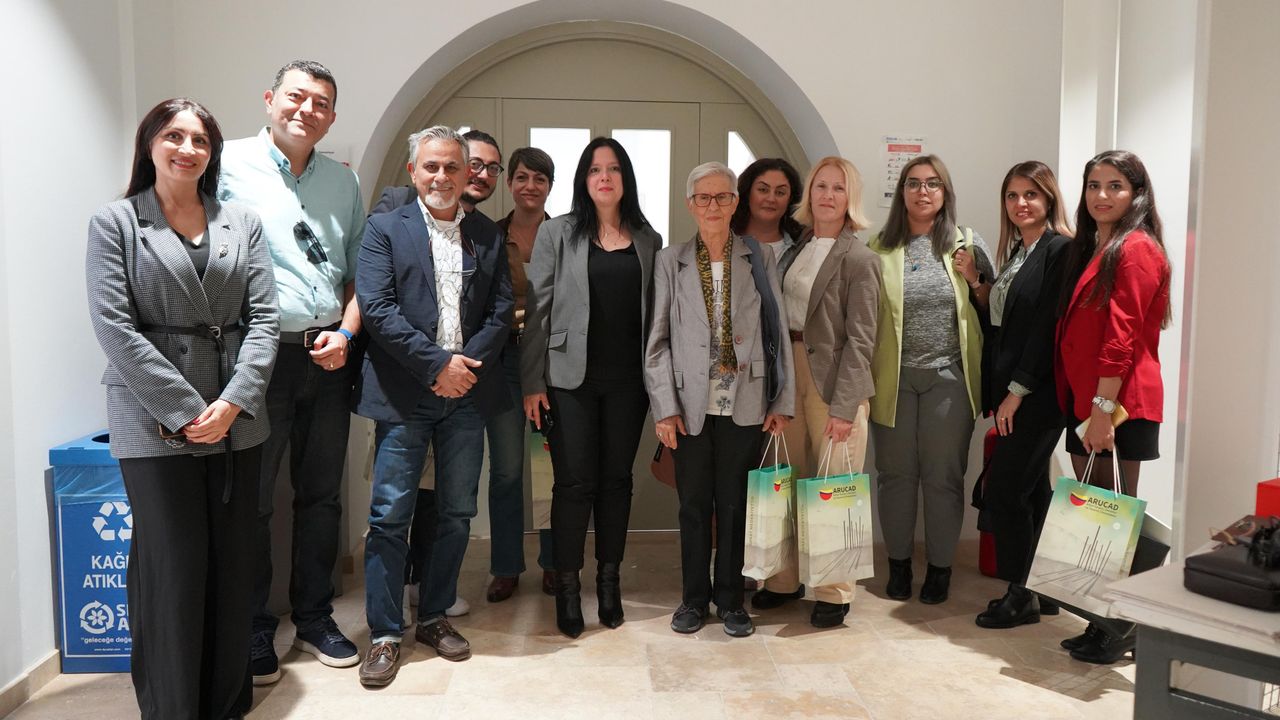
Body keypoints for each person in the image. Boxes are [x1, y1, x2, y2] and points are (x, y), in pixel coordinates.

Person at [87, 97, 278, 720]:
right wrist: (187, 410)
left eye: (200, 139)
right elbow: (114, 326)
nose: (187, 149)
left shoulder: (241, 221)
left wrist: (233, 403)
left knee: (231, 563)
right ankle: (172, 707)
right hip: (152, 422)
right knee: (173, 567)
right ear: (150, 144)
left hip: (237, 422)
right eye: (174, 136)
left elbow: (264, 320)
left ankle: (225, 702)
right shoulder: (116, 222)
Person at [217, 59, 365, 682]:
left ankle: (313, 616)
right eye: (296, 97)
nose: (307, 110)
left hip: (328, 356)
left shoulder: (343, 181)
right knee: (252, 500)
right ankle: (254, 627)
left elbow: (359, 273)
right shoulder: (224, 164)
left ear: (331, 117)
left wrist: (347, 333)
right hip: (257, 357)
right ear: (270, 98)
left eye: (321, 103)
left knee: (322, 495)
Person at [354, 126, 513, 685]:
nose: (442, 177)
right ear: (413, 172)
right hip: (405, 395)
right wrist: (436, 366)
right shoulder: (385, 228)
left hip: (466, 395)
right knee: (389, 516)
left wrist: (463, 368)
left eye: (452, 167)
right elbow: (377, 307)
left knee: (456, 512)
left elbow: (501, 310)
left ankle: (435, 615)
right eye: (432, 167)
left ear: (467, 172)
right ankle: (384, 633)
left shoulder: (487, 234)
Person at [646, 162, 794, 637]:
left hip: (746, 400)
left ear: (735, 203)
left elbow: (777, 331)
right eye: (704, 198)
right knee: (693, 505)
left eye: (723, 197)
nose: (714, 205)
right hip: (689, 404)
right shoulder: (670, 260)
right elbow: (657, 342)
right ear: (690, 205)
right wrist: (664, 408)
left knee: (734, 504)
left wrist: (781, 400)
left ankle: (731, 600)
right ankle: (693, 599)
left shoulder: (758, 256)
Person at [522, 137, 661, 638]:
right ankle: (566, 586)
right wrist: (532, 381)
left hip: (629, 383)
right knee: (573, 484)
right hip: (567, 381)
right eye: (595, 169)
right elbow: (537, 311)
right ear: (584, 180)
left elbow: (656, 315)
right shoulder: (557, 233)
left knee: (616, 483)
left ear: (626, 179)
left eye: (614, 168)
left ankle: (608, 583)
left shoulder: (648, 239)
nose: (605, 177)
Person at [750, 156, 881, 628]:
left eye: (838, 188)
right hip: (788, 373)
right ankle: (782, 580)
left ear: (851, 199)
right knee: (786, 476)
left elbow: (863, 340)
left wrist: (845, 407)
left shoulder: (861, 259)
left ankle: (833, 591)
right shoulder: (796, 250)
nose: (827, 195)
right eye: (821, 186)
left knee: (832, 484)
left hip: (834, 381)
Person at [1054, 150, 1171, 664]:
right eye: (1093, 185)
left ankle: (1123, 626)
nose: (1101, 195)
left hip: (1120, 403)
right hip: (1089, 400)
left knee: (1114, 516)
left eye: (1115, 185)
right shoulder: (1098, 246)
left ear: (1136, 193)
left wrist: (1102, 411)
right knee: (1097, 515)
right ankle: (1103, 621)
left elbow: (1121, 338)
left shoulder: (1137, 248)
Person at [869, 154, 994, 605]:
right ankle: (899, 566)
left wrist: (974, 278)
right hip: (893, 381)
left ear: (945, 193)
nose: (923, 191)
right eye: (914, 183)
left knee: (943, 477)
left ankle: (940, 569)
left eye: (933, 184)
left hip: (948, 378)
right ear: (901, 192)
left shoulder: (966, 243)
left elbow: (993, 308)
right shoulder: (878, 248)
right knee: (895, 477)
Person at [973, 161, 1072, 630]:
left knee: (1007, 491)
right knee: (1032, 490)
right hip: (1015, 390)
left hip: (1037, 394)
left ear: (1049, 198)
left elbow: (1046, 328)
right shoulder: (1019, 250)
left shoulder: (1060, 250)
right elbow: (1005, 320)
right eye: (1012, 196)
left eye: (1031, 194)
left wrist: (1016, 391)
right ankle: (1039, 589)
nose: (1020, 204)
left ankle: (1019, 595)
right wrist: (979, 287)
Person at [488, 147, 558, 601]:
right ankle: (505, 566)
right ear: (510, 183)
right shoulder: (491, 236)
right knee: (507, 471)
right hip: (503, 364)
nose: (530, 186)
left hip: (552, 364)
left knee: (550, 469)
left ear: (550, 186)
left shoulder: (565, 234)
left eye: (539, 178)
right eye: (522, 177)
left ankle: (554, 563)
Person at [731, 158, 804, 260]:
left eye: (780, 192)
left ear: (790, 199)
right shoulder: (723, 241)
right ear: (747, 193)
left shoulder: (803, 249)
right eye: (763, 190)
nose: (771, 199)